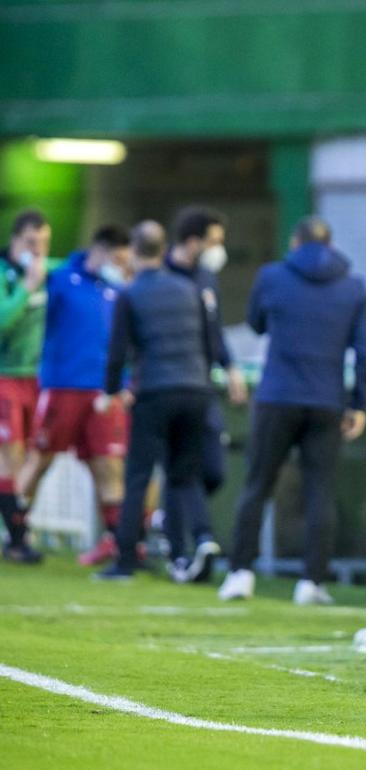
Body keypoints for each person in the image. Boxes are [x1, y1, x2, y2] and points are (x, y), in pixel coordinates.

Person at [218, 215, 366, 606]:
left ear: (295, 241)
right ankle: (312, 582)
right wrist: (358, 403)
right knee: (319, 490)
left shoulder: (272, 277)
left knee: (258, 484)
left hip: (277, 395)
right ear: (331, 243)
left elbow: (255, 324)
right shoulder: (354, 287)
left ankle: (240, 573)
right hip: (327, 400)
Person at [96, 220, 217, 582]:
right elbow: (209, 343)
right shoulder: (189, 288)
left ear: (134, 252)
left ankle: (126, 560)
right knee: (185, 474)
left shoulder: (130, 294)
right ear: (164, 251)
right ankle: (200, 540)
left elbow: (118, 352)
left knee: (138, 476)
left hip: (155, 392)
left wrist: (109, 392)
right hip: (196, 389)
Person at [18, 225, 132, 565]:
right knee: (41, 459)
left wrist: (122, 383)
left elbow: (121, 342)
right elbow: (31, 319)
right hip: (62, 386)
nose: (122, 267)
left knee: (108, 464)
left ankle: (116, 540)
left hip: (104, 391)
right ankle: (15, 529)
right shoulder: (61, 279)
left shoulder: (115, 288)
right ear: (102, 251)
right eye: (119, 259)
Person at [164, 207, 248, 509]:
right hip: (168, 382)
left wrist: (230, 366)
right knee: (178, 466)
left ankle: (174, 522)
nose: (218, 250)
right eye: (214, 241)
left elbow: (215, 328)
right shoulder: (161, 275)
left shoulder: (207, 278)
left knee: (213, 469)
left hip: (202, 384)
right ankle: (179, 536)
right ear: (192, 240)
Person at [0, 209, 56, 563]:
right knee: (11, 456)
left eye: (44, 244)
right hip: (5, 377)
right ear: (16, 240)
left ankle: (17, 528)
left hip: (41, 379)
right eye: (32, 243)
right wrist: (26, 289)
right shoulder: (11, 276)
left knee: (40, 455)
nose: (38, 250)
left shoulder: (52, 275)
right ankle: (18, 538)